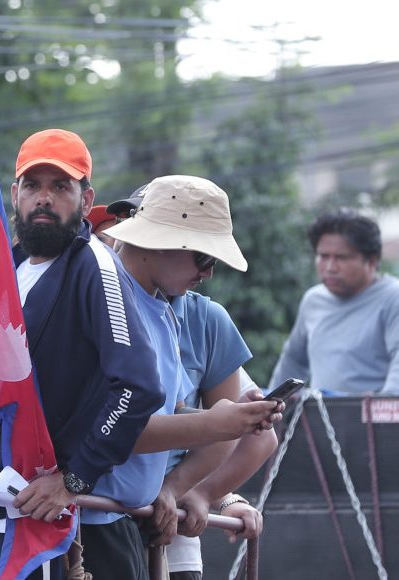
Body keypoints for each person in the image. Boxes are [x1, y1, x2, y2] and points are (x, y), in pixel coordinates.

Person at [0, 128, 166, 579]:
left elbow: (139, 386)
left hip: (32, 529)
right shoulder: (13, 264)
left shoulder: (94, 264)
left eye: (60, 186)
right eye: (33, 185)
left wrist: (74, 478)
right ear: (15, 195)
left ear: (86, 199)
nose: (44, 198)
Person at [101, 176, 282, 576]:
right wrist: (217, 425)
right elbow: (118, 428)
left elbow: (235, 432)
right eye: (203, 257)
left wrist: (190, 490)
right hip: (96, 517)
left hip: (149, 525)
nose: (208, 273)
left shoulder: (179, 315)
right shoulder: (105, 301)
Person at [270, 208, 399, 394]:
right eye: (323, 256)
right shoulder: (313, 300)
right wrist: (273, 402)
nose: (330, 267)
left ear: (371, 261)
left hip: (373, 412)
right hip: (321, 411)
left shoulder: (392, 297)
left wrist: (384, 406)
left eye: (341, 258)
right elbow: (293, 360)